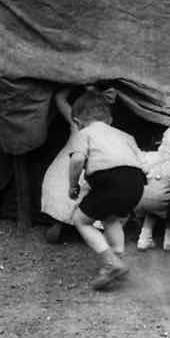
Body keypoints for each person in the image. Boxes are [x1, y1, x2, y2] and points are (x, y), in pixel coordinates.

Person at [68, 89, 145, 290]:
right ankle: (118, 259)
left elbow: (77, 159)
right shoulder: (126, 135)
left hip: (110, 179)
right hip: (136, 181)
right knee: (110, 217)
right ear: (109, 120)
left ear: (77, 122)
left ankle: (112, 263)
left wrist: (73, 185)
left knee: (80, 220)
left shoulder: (84, 133)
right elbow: (141, 161)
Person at [41, 86, 113, 242]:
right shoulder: (108, 129)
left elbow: (59, 98)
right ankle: (90, 227)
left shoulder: (76, 123)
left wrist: (75, 83)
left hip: (62, 171)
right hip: (85, 171)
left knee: (65, 191)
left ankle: (60, 222)